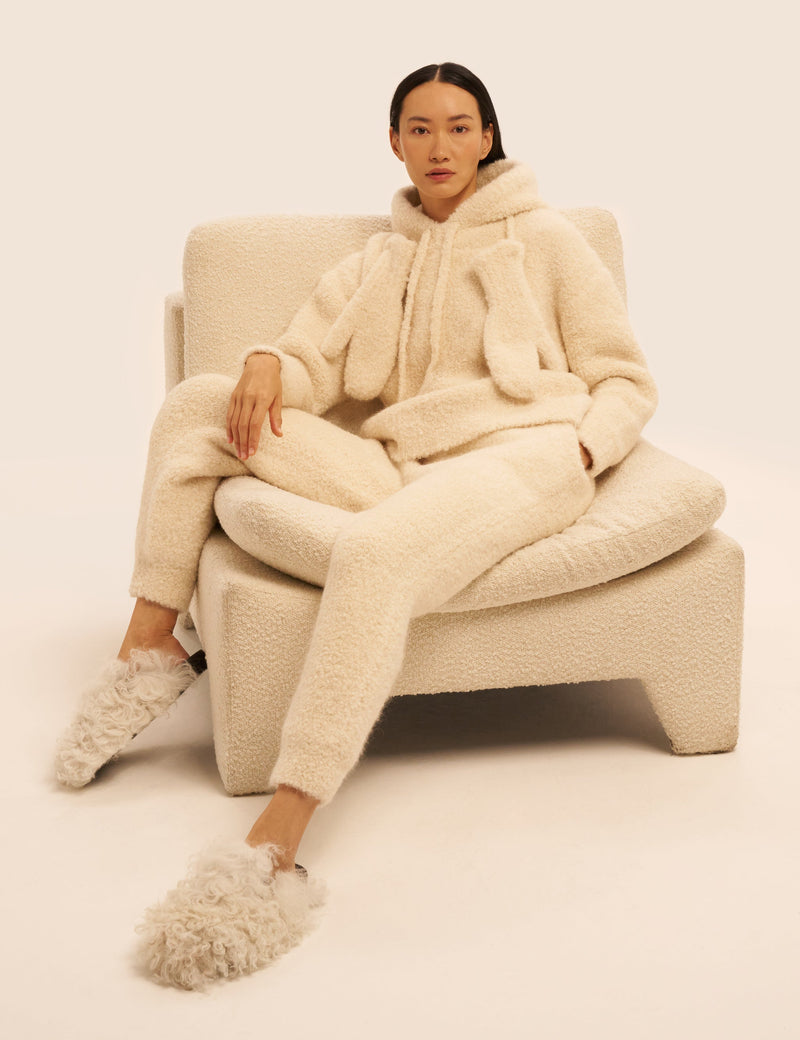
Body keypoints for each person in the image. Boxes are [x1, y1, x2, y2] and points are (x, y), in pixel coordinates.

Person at [54, 62, 658, 990]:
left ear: (488, 137)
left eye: (460, 126)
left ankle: (277, 841)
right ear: (395, 143)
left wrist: (584, 449)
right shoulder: (382, 258)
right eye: (420, 128)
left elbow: (626, 378)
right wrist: (264, 360)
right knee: (198, 405)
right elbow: (311, 365)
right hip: (401, 466)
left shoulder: (545, 238)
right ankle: (151, 647)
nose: (441, 145)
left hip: (524, 459)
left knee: (372, 555)